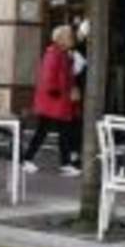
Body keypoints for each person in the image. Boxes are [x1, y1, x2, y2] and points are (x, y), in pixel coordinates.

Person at [22, 25, 81, 177]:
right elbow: (49, 76)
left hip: (58, 101)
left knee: (60, 132)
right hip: (53, 101)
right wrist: (58, 92)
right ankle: (28, 159)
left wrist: (71, 89)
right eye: (68, 36)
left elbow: (67, 76)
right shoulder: (54, 54)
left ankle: (64, 163)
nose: (71, 38)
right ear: (60, 39)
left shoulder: (62, 53)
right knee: (45, 131)